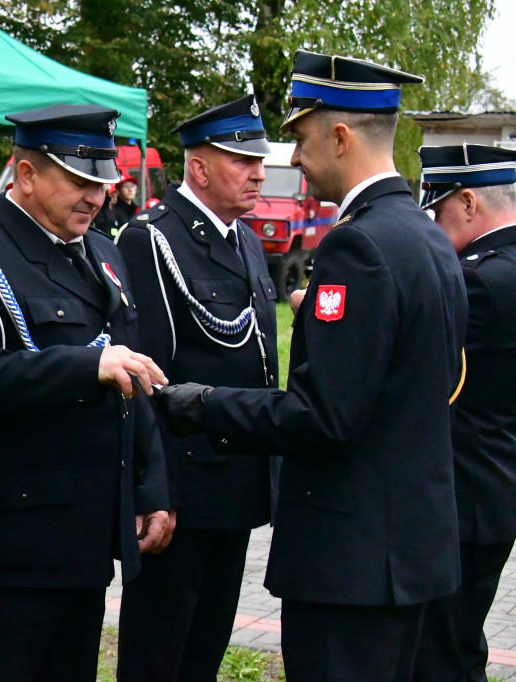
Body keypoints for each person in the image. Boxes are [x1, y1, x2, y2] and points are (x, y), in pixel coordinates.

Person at [151, 50, 467, 681]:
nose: (291, 158)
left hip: (349, 565)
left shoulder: (359, 245)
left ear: (341, 136)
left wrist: (203, 403)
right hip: (407, 553)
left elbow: (323, 417)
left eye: (299, 138)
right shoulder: (426, 236)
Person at [0, 104, 171, 682]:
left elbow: (133, 373)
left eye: (101, 180)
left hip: (90, 535)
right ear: (24, 175)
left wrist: (150, 485)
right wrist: (84, 366)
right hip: (22, 538)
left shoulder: (103, 252)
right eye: (78, 180)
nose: (95, 196)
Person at [114, 94, 278, 682]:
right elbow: (148, 378)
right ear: (200, 167)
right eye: (242, 160)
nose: (258, 172)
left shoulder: (246, 241)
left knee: (205, 652)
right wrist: (158, 490)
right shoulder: (152, 239)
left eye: (258, 160)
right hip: (184, 489)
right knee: (158, 656)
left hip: (235, 486)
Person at [413, 144, 516, 682]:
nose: (433, 224)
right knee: (458, 645)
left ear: (469, 203)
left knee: (441, 656)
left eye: (439, 209)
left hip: (463, 496)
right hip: (494, 489)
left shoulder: (480, 281)